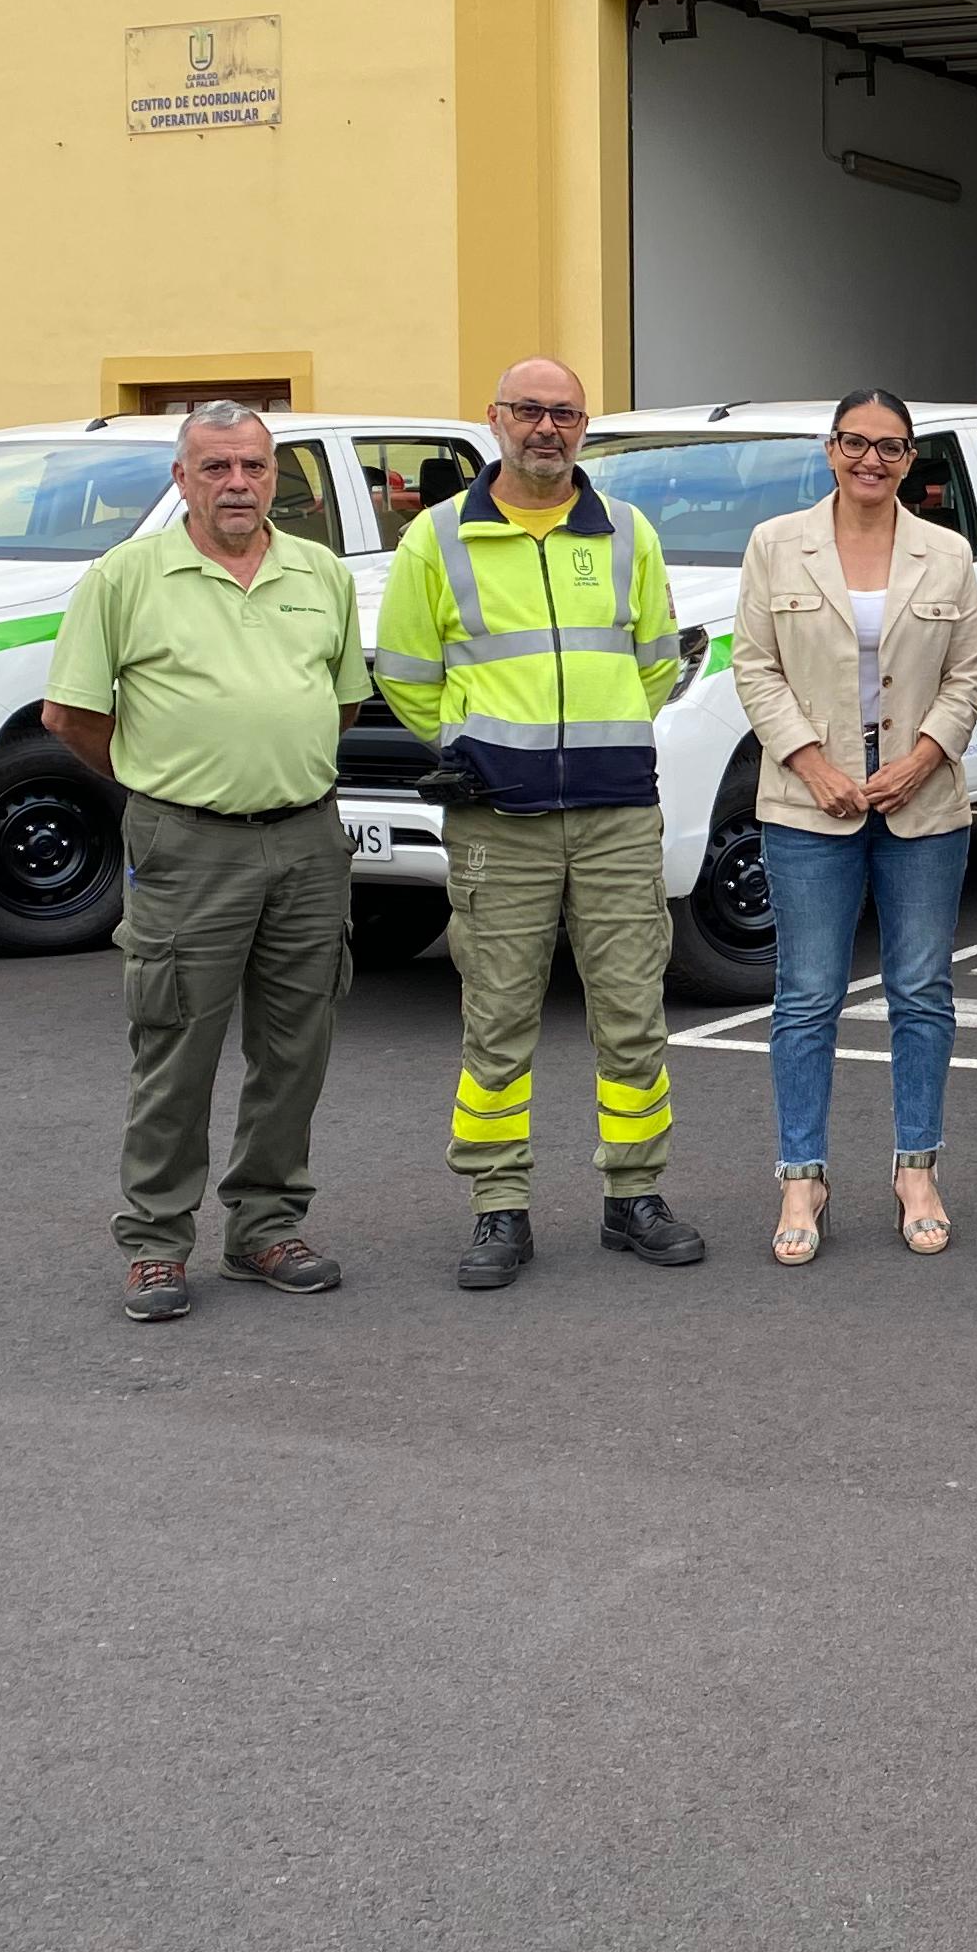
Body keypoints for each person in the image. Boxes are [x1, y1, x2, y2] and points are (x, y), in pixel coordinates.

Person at [374, 357, 706, 1290]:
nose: (546, 428)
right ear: (495, 421)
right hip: (498, 820)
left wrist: (594, 745)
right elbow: (403, 672)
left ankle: (633, 1195)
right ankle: (497, 1206)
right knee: (498, 1020)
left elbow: (655, 662)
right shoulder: (436, 540)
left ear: (584, 426)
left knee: (633, 1016)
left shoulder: (628, 533)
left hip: (613, 815)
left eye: (563, 413)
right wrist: (474, 743)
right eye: (529, 411)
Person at [41, 401, 370, 1323]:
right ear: (181, 479)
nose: (238, 484)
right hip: (186, 843)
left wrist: (273, 759)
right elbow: (69, 716)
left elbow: (340, 703)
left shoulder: (321, 574)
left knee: (295, 1046)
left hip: (308, 840)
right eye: (217, 467)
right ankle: (155, 1242)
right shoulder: (126, 576)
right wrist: (167, 783)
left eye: (255, 468)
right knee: (177, 1047)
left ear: (277, 479)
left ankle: (266, 1226)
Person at [731, 389, 977, 1266]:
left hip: (922, 807)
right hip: (811, 805)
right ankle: (802, 1177)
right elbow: (755, 667)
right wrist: (814, 764)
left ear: (911, 458)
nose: (870, 460)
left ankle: (915, 1169)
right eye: (855, 443)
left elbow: (969, 674)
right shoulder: (777, 545)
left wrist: (922, 759)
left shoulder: (947, 554)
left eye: (889, 447)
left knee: (922, 992)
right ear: (831, 448)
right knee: (807, 997)